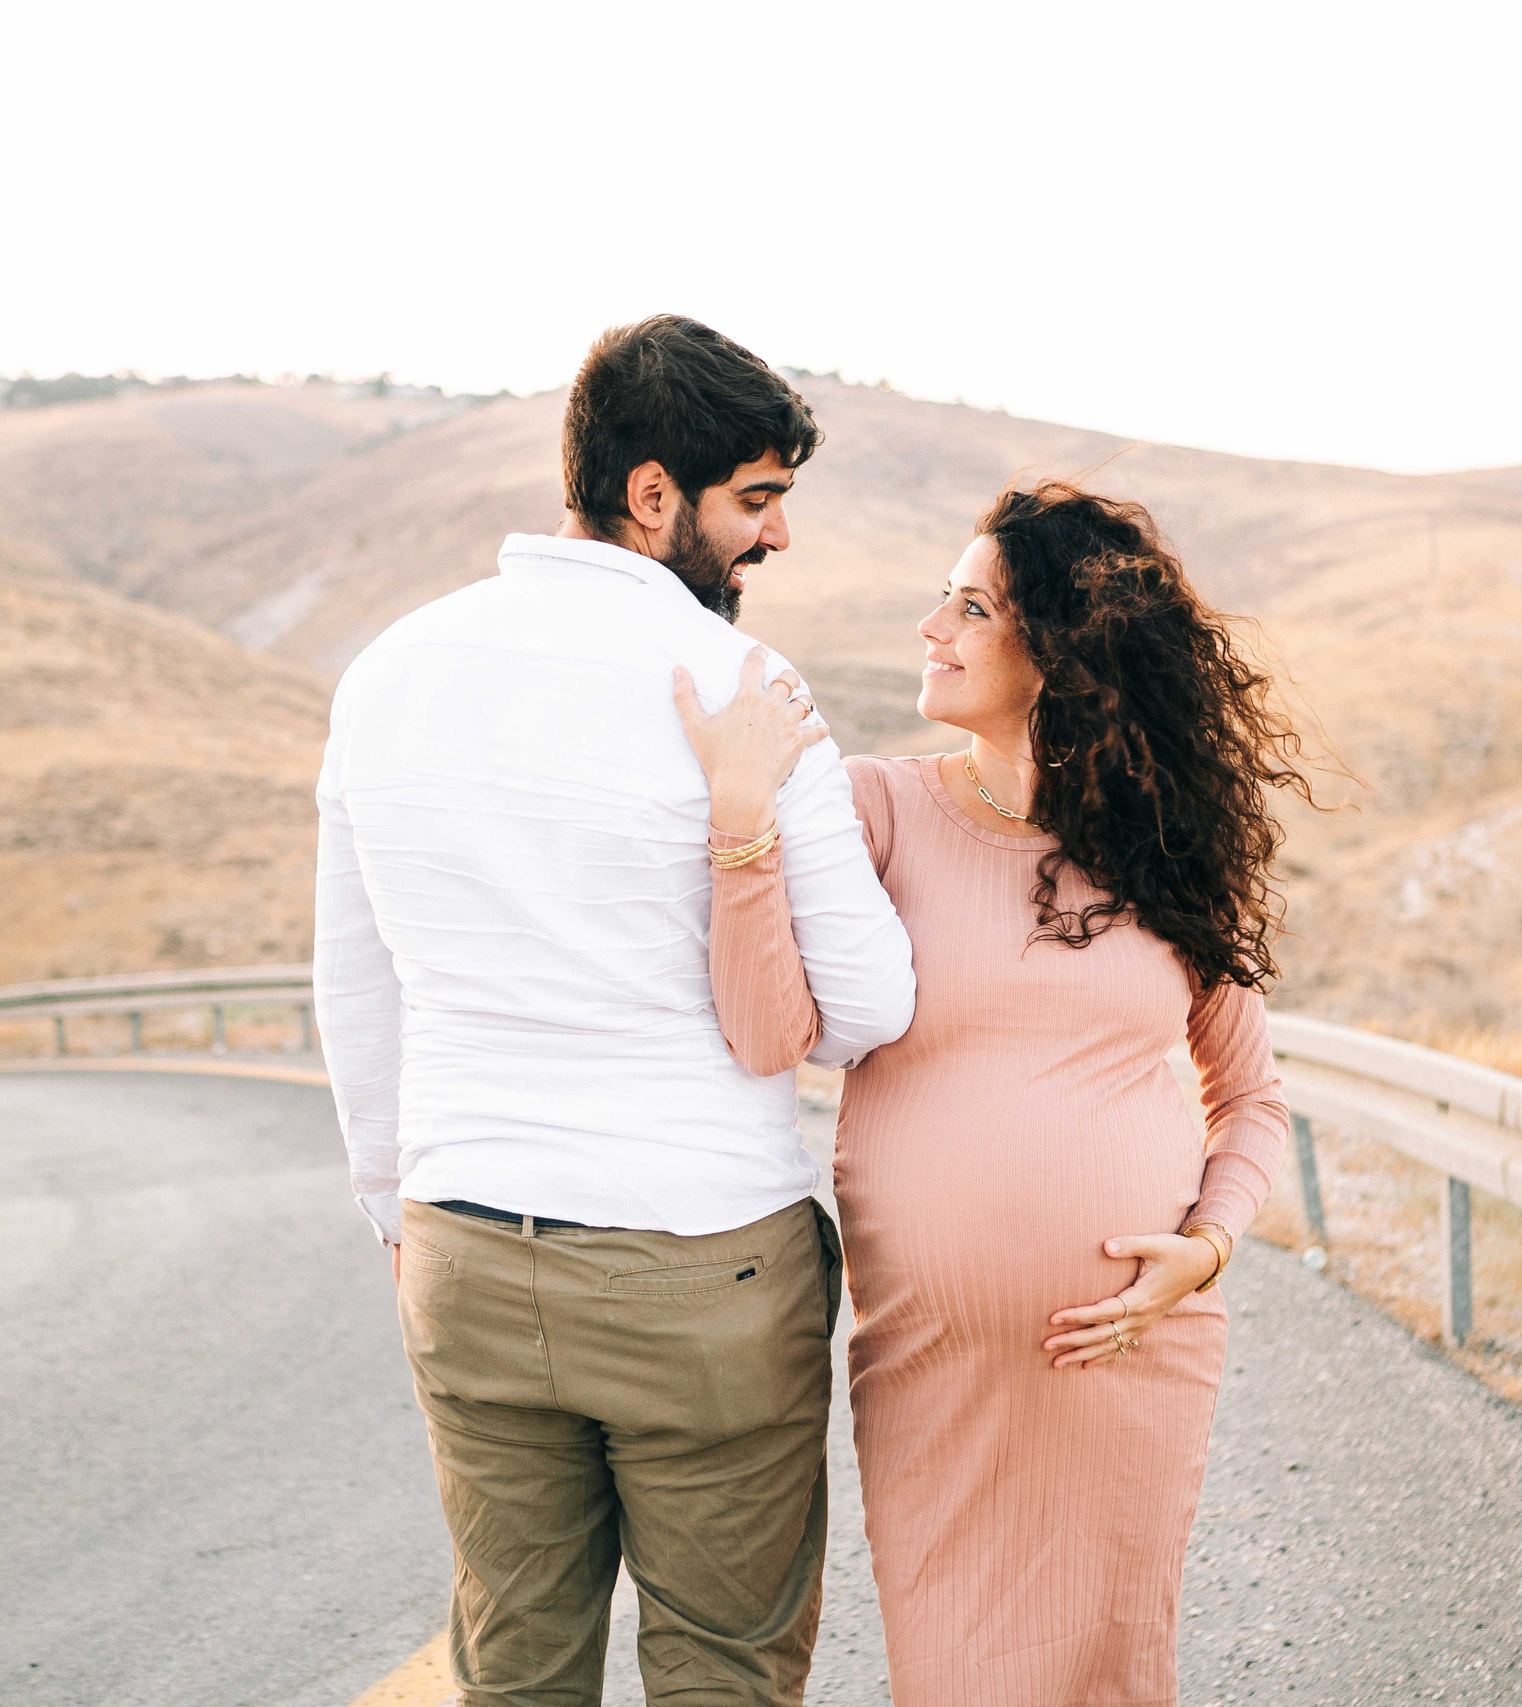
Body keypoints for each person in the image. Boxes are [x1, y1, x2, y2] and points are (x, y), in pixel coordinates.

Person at [313, 314, 917, 1707]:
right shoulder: (740, 689)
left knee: (514, 1667)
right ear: (655, 494)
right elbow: (868, 1007)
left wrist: (401, 1208)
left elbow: (358, 982)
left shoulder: (389, 670)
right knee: (722, 1667)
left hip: (465, 1243)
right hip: (700, 1258)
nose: (775, 538)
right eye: (755, 499)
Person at [674, 480, 1302, 1707]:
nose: (932, 627)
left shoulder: (1163, 849)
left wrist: (1206, 1252)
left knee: (1114, 1677)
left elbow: (1251, 1098)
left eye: (970, 607)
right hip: (935, 1371)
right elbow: (767, 1033)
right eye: (941, 599)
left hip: (1130, 1356)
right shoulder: (876, 810)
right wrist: (742, 832)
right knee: (955, 1674)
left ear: (1060, 649)